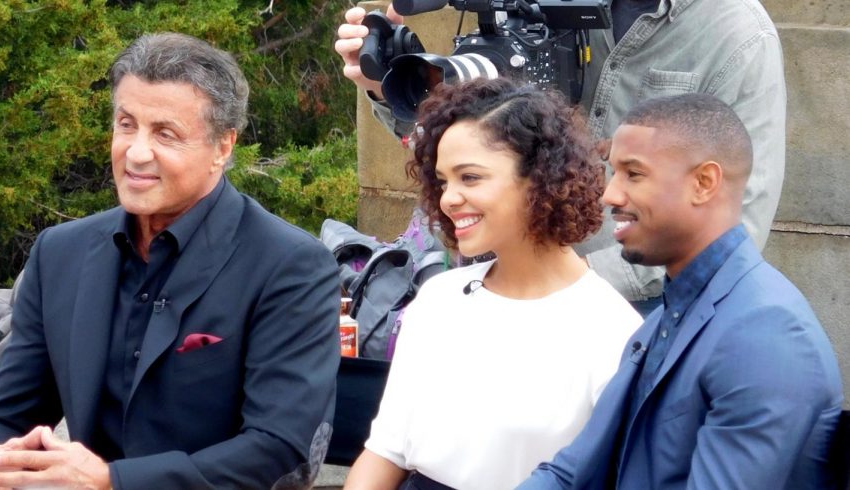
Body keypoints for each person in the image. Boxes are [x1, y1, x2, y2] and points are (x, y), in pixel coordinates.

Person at [0, 32, 341, 490]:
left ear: (223, 147)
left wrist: (111, 481)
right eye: (126, 125)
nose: (136, 153)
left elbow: (279, 447)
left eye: (165, 133)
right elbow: (6, 413)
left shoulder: (291, 266)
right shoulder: (60, 252)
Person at [334, 0, 786, 316]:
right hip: (503, 293)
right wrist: (385, 90)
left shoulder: (739, 34)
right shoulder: (534, 5)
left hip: (644, 314)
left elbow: (740, 224)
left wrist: (568, 279)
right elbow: (476, 140)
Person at [516, 93, 843, 489]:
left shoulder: (766, 334)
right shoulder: (666, 319)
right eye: (613, 172)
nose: (610, 195)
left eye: (633, 174)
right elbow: (572, 473)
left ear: (704, 183)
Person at [343, 78, 643, 490]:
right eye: (443, 180)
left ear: (541, 179)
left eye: (470, 177)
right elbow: (385, 452)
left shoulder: (612, 333)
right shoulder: (439, 299)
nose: (448, 198)